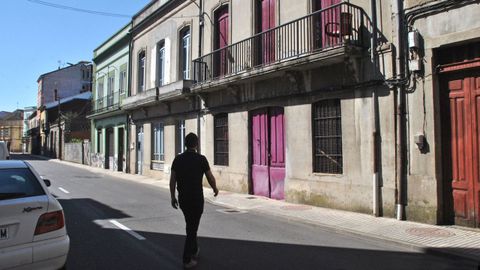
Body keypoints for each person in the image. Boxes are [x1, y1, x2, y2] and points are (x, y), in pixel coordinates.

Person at [170, 132, 219, 268]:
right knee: (192, 228)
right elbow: (210, 177)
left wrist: (173, 196)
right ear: (196, 144)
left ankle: (194, 249)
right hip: (197, 199)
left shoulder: (178, 159)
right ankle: (187, 260)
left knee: (190, 224)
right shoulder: (201, 159)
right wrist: (215, 188)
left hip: (184, 199)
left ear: (185, 144)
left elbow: (172, 180)